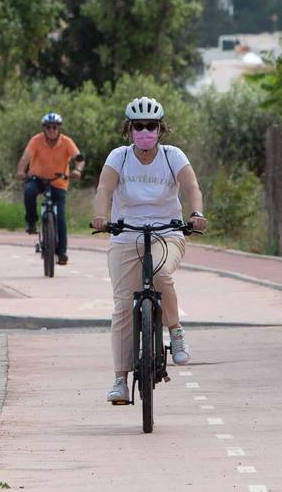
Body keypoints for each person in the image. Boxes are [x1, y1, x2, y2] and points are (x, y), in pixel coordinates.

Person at [88, 96, 208, 405]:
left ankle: (176, 331)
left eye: (151, 126)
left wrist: (195, 215)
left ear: (160, 129)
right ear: (129, 129)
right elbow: (105, 188)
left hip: (166, 233)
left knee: (160, 274)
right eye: (138, 126)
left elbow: (192, 187)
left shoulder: (172, 156)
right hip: (125, 235)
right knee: (121, 308)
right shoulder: (119, 157)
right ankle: (119, 379)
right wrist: (102, 217)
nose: (145, 131)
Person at [15, 112, 82, 265]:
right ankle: (31, 222)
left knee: (60, 217)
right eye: (48, 127)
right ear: (44, 129)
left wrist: (77, 170)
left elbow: (79, 158)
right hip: (37, 178)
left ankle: (62, 252)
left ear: (59, 128)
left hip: (59, 181)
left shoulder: (67, 142)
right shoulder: (36, 140)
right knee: (29, 191)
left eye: (54, 127)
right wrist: (20, 171)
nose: (51, 130)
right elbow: (25, 157)